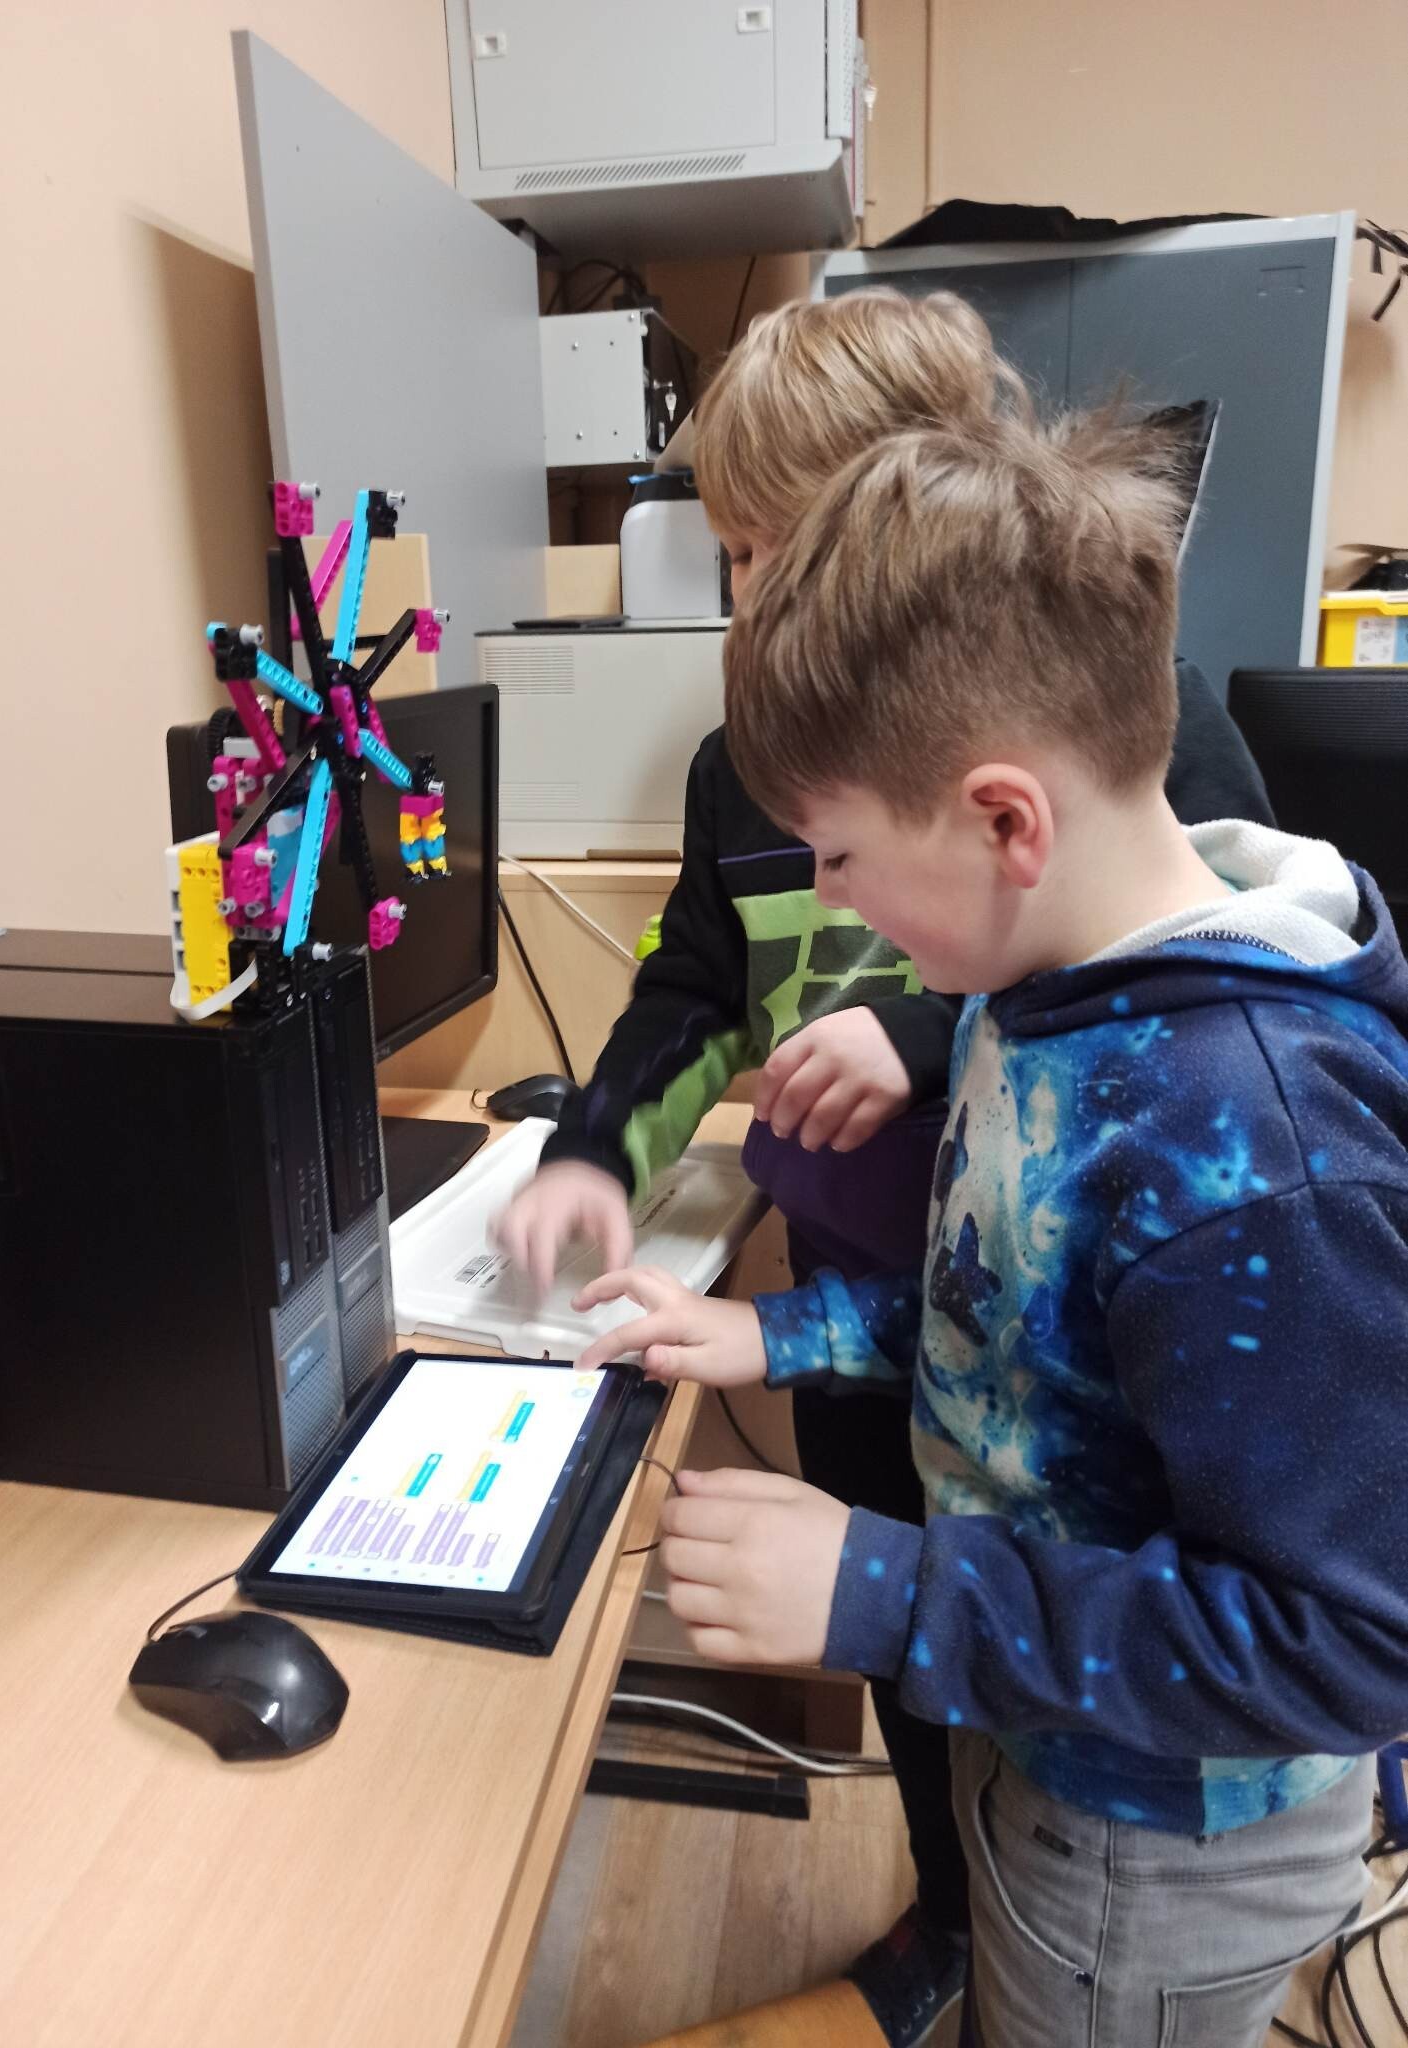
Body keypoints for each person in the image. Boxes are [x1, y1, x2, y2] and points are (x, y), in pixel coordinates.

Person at [571, 410, 1408, 2048]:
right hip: (1043, 1738)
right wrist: (777, 1333)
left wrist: (887, 1594)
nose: (828, 899)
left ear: (1006, 821)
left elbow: (1345, 1643)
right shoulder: (1042, 997)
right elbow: (1015, 1307)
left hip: (1157, 1849)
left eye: (840, 855)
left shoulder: (1254, 1149)